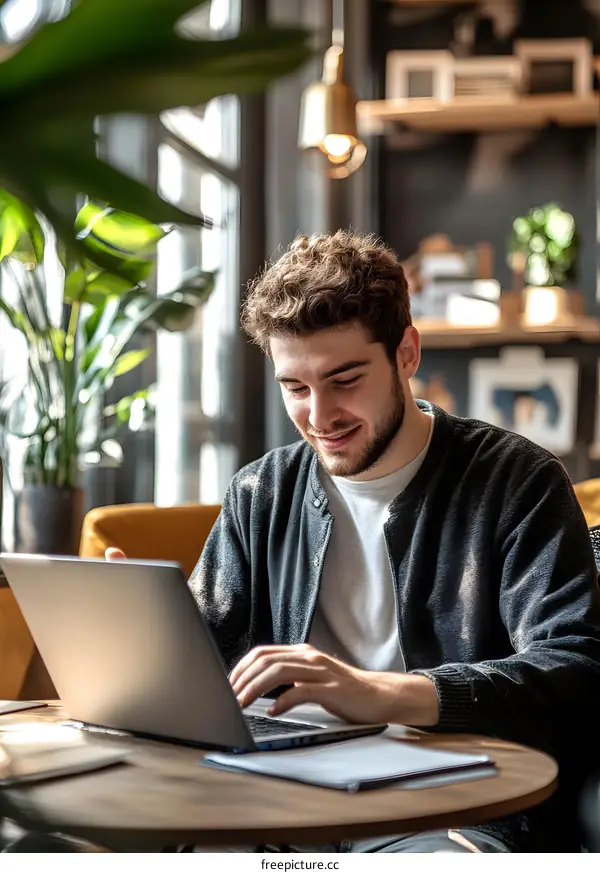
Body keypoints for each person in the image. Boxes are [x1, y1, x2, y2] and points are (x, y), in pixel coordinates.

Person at [119, 231, 600, 853]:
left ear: (406, 352)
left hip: (448, 811)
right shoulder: (260, 492)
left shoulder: (516, 481)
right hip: (273, 797)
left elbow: (575, 672)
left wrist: (372, 693)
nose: (320, 416)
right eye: (295, 387)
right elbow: (205, 667)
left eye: (345, 378)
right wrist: (147, 640)